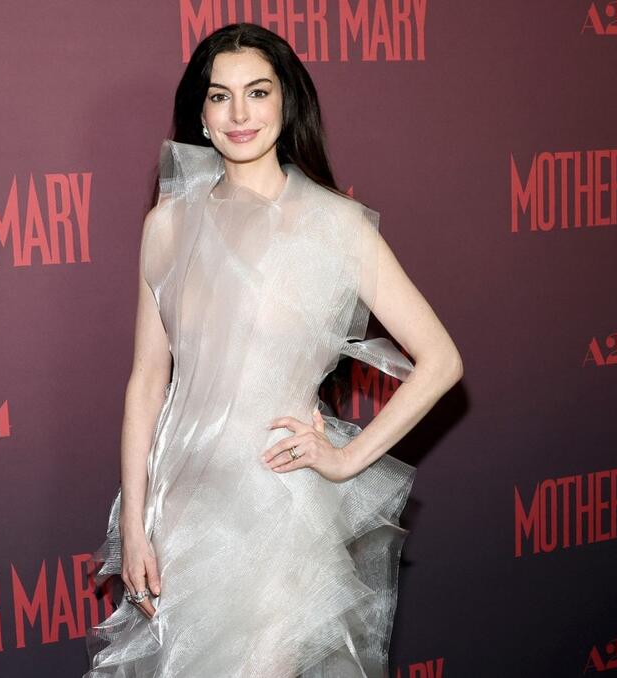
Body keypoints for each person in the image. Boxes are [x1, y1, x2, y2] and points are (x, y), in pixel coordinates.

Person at [83, 22, 463, 678]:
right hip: (182, 508)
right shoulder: (167, 225)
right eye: (219, 96)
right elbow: (147, 380)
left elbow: (441, 361)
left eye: (257, 92)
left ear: (287, 103)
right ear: (201, 115)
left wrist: (346, 460)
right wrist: (136, 528)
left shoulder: (336, 225)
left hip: (277, 506)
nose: (239, 113)